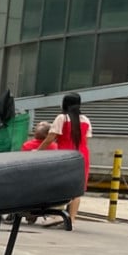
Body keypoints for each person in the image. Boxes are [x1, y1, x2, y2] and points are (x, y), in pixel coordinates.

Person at [40, 92, 92, 227]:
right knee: (77, 189)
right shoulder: (86, 120)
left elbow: (50, 138)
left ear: (64, 104)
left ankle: (57, 215)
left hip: (65, 155)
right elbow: (85, 141)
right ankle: (72, 220)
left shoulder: (62, 118)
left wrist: (38, 151)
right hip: (82, 156)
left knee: (60, 185)